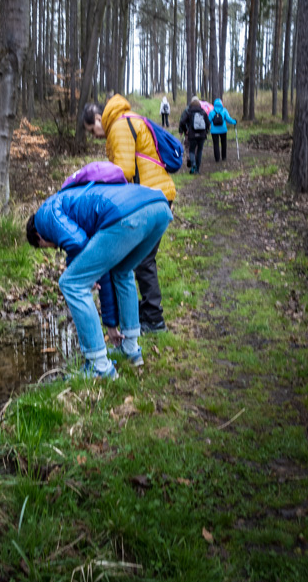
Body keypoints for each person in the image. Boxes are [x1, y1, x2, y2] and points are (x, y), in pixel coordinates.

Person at [26, 182, 173, 378]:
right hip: (159, 207)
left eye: (46, 246)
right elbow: (100, 263)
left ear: (38, 236)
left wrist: (82, 270)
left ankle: (98, 365)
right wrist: (110, 322)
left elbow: (78, 243)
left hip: (126, 214)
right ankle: (130, 348)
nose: (54, 248)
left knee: (70, 284)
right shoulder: (70, 202)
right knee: (122, 270)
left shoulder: (45, 215)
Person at [83, 94, 176, 334]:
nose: (95, 136)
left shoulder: (120, 125)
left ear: (97, 117)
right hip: (155, 194)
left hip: (153, 196)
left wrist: (97, 179)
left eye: (92, 130)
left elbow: (123, 170)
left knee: (143, 259)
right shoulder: (123, 121)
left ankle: (153, 319)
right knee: (142, 259)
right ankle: (148, 312)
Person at [178, 96, 209, 174]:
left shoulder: (188, 111)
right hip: (202, 135)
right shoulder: (203, 111)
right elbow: (208, 123)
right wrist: (206, 131)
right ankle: (197, 170)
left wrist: (184, 130)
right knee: (199, 151)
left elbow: (182, 121)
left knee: (191, 150)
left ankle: (193, 164)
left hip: (192, 134)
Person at [208, 98, 237, 163]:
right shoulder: (224, 111)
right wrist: (234, 122)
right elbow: (228, 119)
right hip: (223, 130)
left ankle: (217, 158)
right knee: (224, 143)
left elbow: (208, 121)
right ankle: (224, 157)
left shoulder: (212, 112)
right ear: (221, 104)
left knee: (216, 144)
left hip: (214, 131)